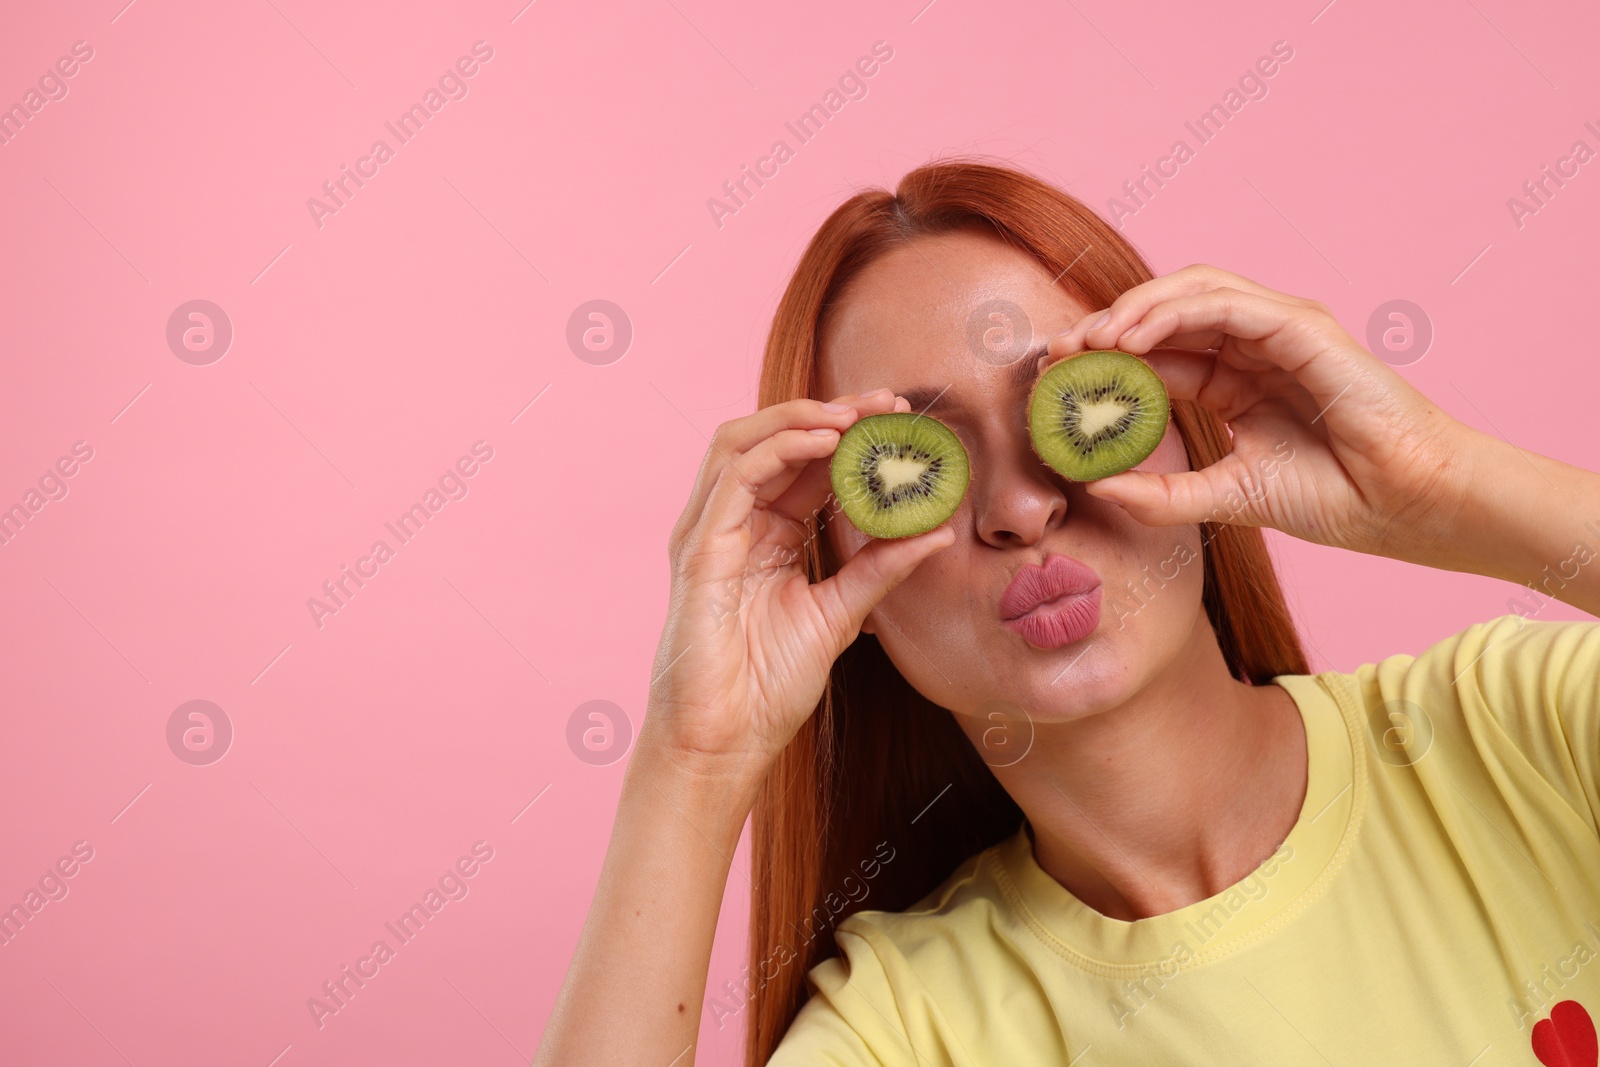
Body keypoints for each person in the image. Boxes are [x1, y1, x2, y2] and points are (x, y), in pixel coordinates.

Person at [533, 160, 1600, 1066]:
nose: (1020, 508)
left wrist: (1435, 483)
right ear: (844, 575)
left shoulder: (1523, 731)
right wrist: (695, 752)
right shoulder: (912, 1026)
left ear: (1186, 424)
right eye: (922, 467)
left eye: (1073, 410)